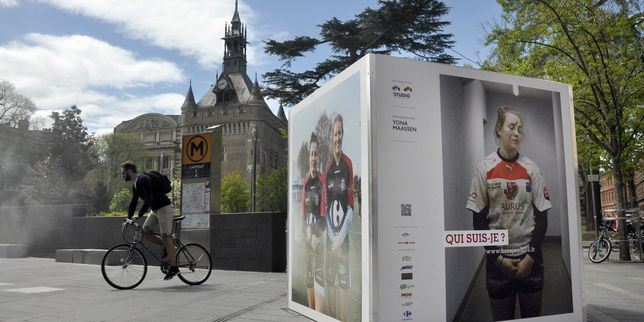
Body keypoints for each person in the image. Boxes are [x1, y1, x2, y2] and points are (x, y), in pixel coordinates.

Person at [466, 106, 551, 320]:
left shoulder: (531, 168)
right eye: (511, 127)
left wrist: (530, 256)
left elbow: (542, 219)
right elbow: (479, 222)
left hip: (530, 261)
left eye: (519, 129)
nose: (516, 133)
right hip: (498, 264)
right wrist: (499, 259)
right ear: (498, 128)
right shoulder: (484, 168)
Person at [121, 161, 179, 280]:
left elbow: (149, 198)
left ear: (129, 171)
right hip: (156, 210)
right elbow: (133, 202)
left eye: (123, 172)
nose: (122, 175)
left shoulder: (143, 179)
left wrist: (139, 215)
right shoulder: (136, 184)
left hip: (164, 208)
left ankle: (174, 268)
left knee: (166, 237)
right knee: (145, 234)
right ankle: (170, 248)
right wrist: (128, 217)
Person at [325, 114, 354, 321]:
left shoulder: (348, 163)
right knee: (330, 289)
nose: (337, 137)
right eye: (335, 133)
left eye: (340, 133)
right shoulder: (326, 169)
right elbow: (325, 209)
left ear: (343, 135)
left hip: (342, 244)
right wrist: (331, 237)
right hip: (329, 242)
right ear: (330, 136)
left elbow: (351, 207)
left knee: (344, 289)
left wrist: (339, 237)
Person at [301, 133, 326, 312]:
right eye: (311, 154)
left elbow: (325, 216)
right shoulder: (306, 181)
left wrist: (314, 231)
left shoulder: (323, 180)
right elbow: (303, 212)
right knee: (308, 279)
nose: (314, 158)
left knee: (319, 283)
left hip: (320, 241)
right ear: (308, 156)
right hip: (308, 243)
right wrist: (305, 232)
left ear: (319, 156)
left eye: (316, 154)